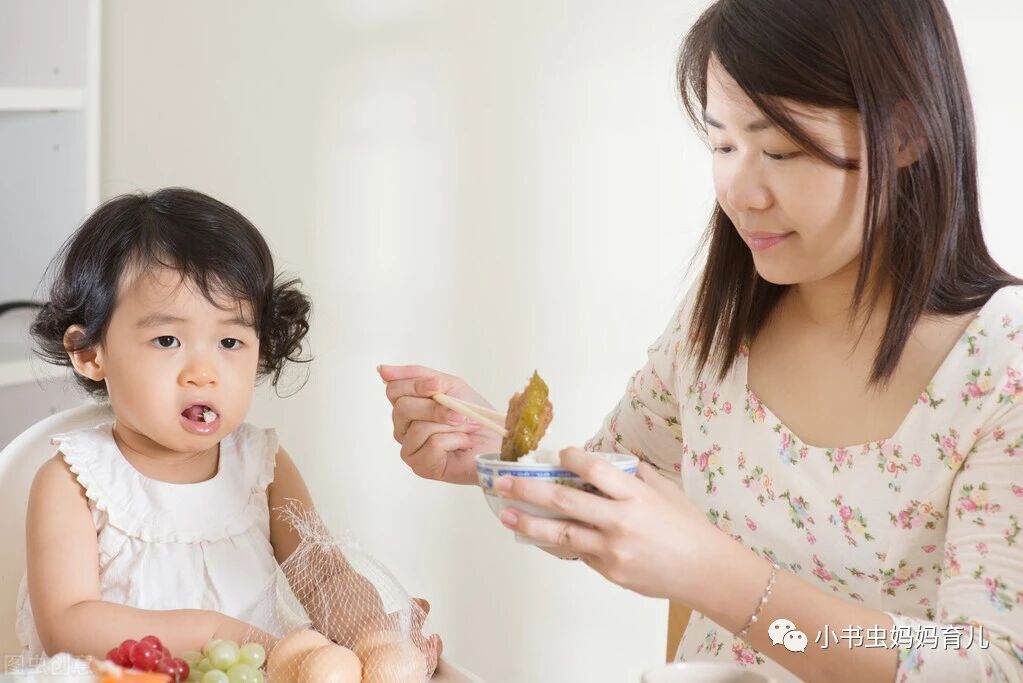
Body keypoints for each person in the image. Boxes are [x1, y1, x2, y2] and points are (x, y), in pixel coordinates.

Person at [379, 0, 1023, 680]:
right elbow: (608, 495)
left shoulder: (999, 363)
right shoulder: (717, 330)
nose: (738, 191)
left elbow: (985, 659)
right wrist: (498, 456)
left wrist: (720, 580)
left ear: (904, 134)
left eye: (778, 148)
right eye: (721, 145)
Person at [20, 188, 441, 673]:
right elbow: (67, 626)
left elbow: (323, 577)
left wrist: (376, 637)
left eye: (229, 341)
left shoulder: (261, 466)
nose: (204, 372)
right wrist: (219, 634)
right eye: (167, 339)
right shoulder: (74, 481)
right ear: (91, 353)